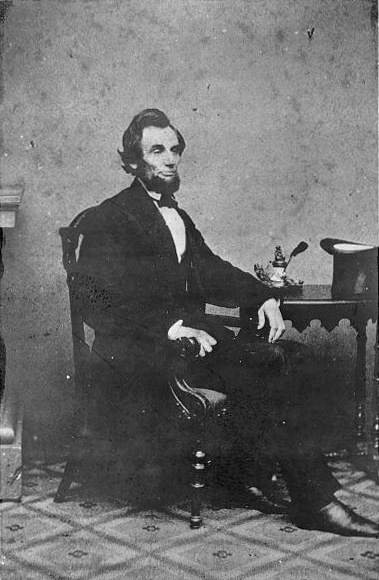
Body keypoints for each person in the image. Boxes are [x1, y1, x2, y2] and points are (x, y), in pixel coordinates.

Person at [73, 108, 377, 537]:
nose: (170, 159)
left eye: (174, 149)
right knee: (272, 362)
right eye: (157, 150)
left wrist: (265, 297)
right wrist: (172, 330)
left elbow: (212, 270)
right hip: (145, 358)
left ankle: (261, 474)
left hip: (194, 347)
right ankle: (316, 502)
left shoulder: (177, 216)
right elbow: (96, 304)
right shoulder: (111, 219)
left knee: (295, 357)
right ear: (133, 162)